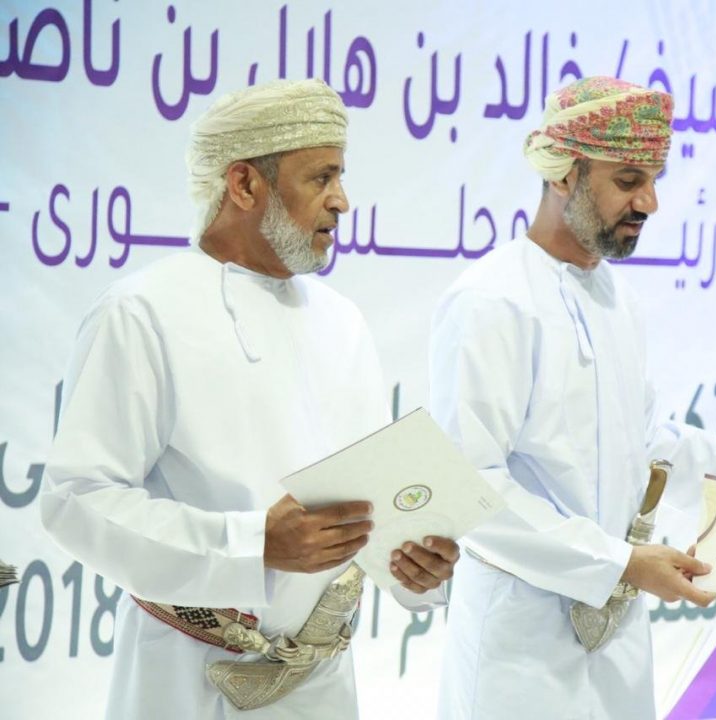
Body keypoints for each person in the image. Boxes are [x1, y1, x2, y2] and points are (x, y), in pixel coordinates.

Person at [429, 76, 716, 720]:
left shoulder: (617, 300)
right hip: (517, 649)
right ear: (564, 173)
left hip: (616, 641)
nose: (649, 201)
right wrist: (621, 562)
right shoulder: (491, 300)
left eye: (654, 180)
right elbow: (471, 490)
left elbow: (646, 445)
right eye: (628, 180)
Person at [40, 79, 459, 720]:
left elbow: (371, 503)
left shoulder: (342, 320)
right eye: (321, 178)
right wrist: (253, 543)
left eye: (340, 176)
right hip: (188, 681)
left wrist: (415, 565)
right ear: (243, 185)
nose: (342, 201)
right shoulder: (141, 311)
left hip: (325, 684)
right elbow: (76, 500)